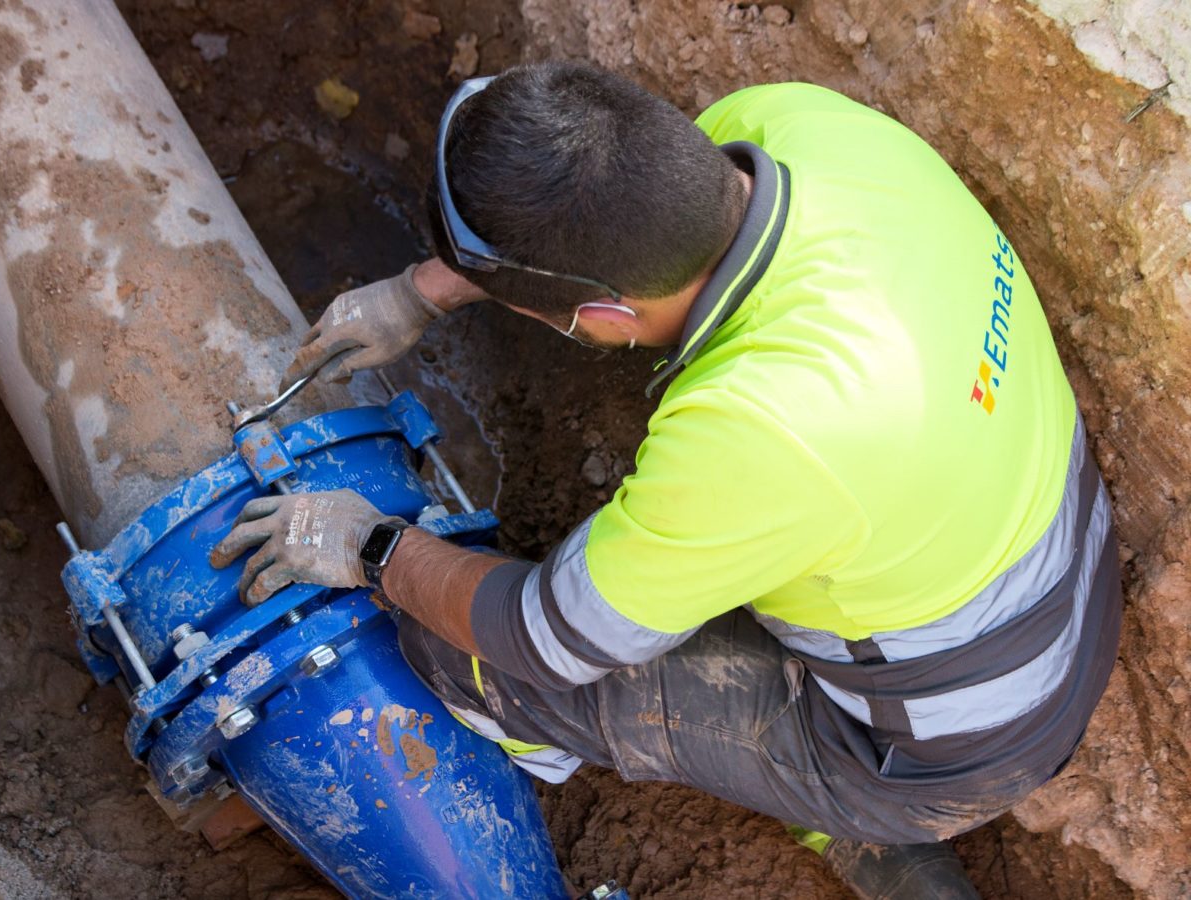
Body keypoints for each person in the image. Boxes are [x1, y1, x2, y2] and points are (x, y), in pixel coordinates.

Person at [211, 62, 1122, 897]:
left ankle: (861, 826)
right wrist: (422, 290)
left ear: (604, 313)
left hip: (953, 747)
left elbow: (542, 639)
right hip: (1059, 580)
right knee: (682, 562)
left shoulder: (762, 431)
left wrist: (371, 545)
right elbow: (614, 225)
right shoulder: (797, 130)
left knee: (461, 652)